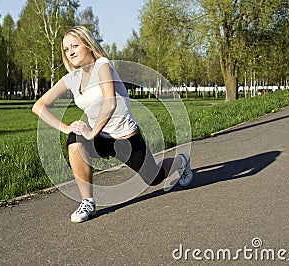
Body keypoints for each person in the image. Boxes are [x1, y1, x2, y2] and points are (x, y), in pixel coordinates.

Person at [32, 26, 193, 223]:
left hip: (125, 139)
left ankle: (182, 161)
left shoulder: (103, 65)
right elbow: (39, 106)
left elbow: (110, 102)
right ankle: (88, 202)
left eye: (75, 46)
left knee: (155, 178)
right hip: (99, 138)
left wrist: (91, 133)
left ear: (88, 45)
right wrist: (67, 128)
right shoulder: (72, 79)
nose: (70, 52)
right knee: (74, 139)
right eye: (66, 49)